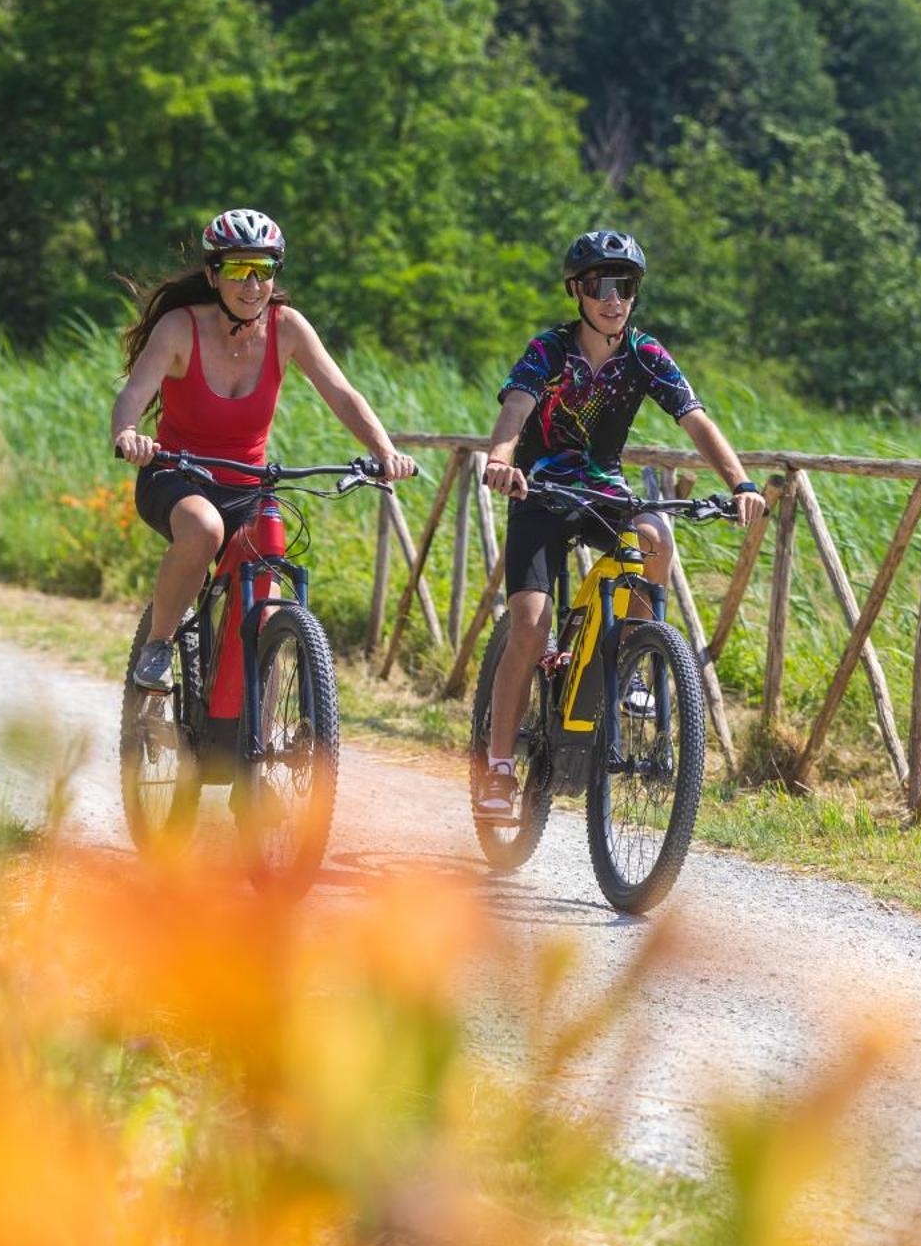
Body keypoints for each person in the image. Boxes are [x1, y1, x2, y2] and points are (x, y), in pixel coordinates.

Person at [475, 229, 767, 818]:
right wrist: (502, 459)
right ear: (577, 291)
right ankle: (499, 766)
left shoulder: (644, 354)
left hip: (603, 488)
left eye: (625, 286)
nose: (613, 298)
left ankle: (632, 658)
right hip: (540, 488)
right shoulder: (549, 350)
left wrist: (741, 483)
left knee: (656, 537)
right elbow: (517, 407)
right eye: (599, 286)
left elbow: (696, 420)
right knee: (531, 622)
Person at [110, 208, 417, 692]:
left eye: (265, 269)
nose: (252, 284)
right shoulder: (179, 328)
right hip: (176, 475)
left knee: (265, 586)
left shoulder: (287, 327)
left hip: (247, 483)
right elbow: (133, 394)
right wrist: (128, 434)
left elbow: (342, 394)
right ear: (213, 274)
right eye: (237, 269)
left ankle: (254, 722)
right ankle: (160, 643)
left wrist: (385, 450)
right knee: (205, 529)